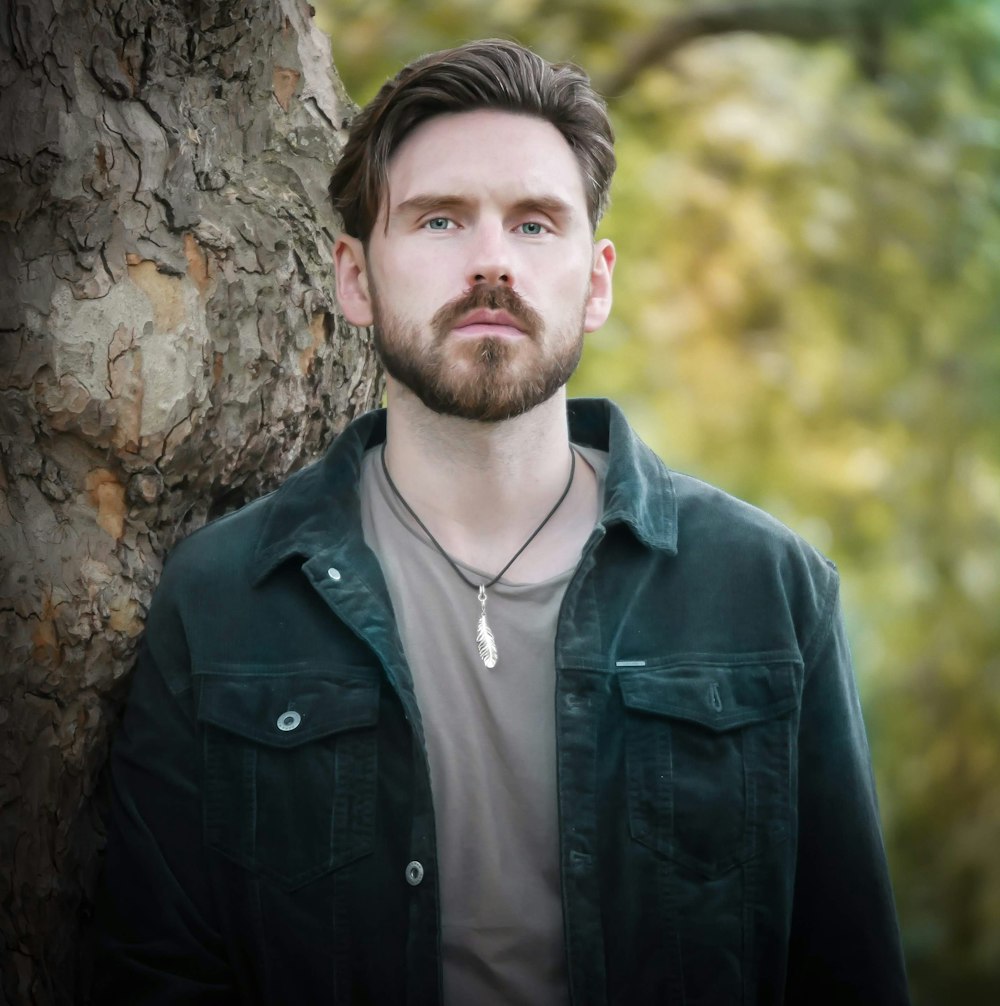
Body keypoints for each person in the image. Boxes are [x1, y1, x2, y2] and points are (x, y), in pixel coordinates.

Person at [97, 38, 910, 1005]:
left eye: (534, 224)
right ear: (355, 279)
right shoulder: (225, 599)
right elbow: (152, 974)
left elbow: (848, 972)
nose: (491, 262)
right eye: (441, 220)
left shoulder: (767, 591)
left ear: (596, 280)